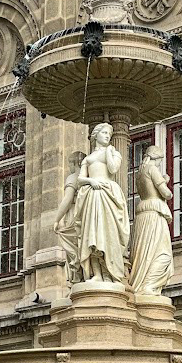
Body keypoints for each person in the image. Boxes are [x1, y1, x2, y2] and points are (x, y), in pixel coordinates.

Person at [75, 122, 130, 285]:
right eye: (104, 133)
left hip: (109, 194)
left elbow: (113, 169)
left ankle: (110, 273)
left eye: (109, 134)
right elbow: (80, 180)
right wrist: (91, 181)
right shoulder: (88, 158)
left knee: (108, 234)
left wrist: (108, 152)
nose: (107, 136)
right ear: (96, 135)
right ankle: (97, 274)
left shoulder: (113, 153)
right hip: (92, 196)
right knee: (92, 235)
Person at [129, 146, 173, 295]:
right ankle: (148, 285)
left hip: (142, 214)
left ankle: (141, 283)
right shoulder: (152, 169)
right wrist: (166, 183)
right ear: (157, 158)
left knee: (143, 253)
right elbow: (166, 194)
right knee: (162, 253)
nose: (160, 163)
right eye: (161, 159)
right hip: (154, 214)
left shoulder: (139, 172)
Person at [53, 151, 87, 286]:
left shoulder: (73, 177)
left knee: (73, 247)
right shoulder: (88, 176)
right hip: (85, 214)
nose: (69, 168)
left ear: (75, 163)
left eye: (70, 164)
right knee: (82, 244)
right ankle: (85, 274)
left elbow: (67, 200)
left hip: (74, 214)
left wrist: (57, 219)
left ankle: (77, 278)